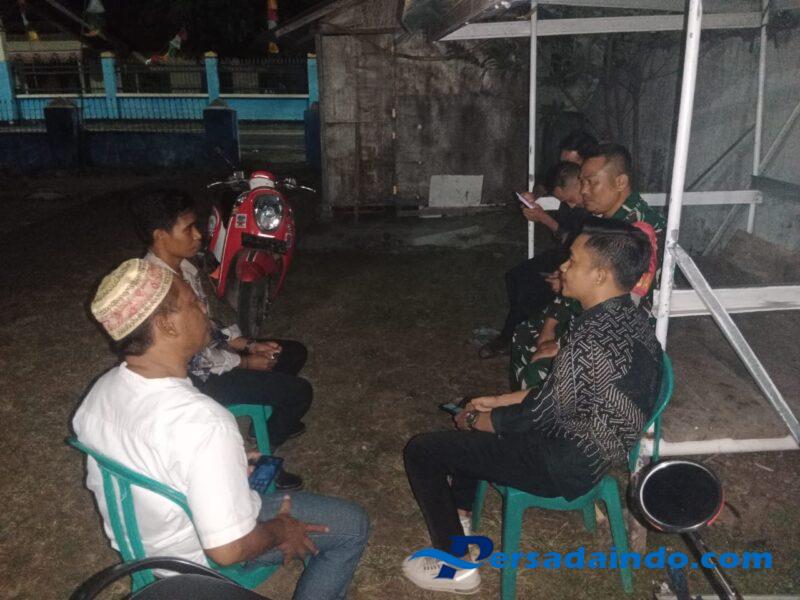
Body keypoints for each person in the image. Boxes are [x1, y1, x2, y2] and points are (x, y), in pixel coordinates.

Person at [74, 259, 369, 600]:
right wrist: (280, 529)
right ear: (167, 324)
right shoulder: (204, 422)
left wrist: (227, 465)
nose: (204, 308)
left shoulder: (99, 393)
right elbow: (228, 550)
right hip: (196, 565)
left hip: (144, 550)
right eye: (192, 302)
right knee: (352, 526)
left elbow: (156, 455)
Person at [402, 219, 663, 594]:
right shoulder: (630, 318)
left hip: (562, 463)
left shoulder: (591, 338)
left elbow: (540, 414)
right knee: (472, 411)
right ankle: (460, 517)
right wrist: (494, 401)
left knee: (423, 451)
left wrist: (480, 420)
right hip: (590, 448)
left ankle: (454, 567)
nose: (563, 267)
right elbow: (564, 393)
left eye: (573, 261)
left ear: (600, 275)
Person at [130, 189, 309, 491]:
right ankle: (259, 457)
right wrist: (245, 362)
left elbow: (205, 325)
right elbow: (192, 358)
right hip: (195, 379)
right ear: (160, 235)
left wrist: (247, 344)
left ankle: (267, 424)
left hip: (207, 358)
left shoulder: (184, 268)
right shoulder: (158, 286)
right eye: (188, 228)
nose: (198, 235)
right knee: (299, 392)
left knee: (292, 352)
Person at [478, 131, 597, 359]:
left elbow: (578, 241)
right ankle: (521, 329)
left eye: (571, 164)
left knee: (530, 288)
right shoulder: (570, 183)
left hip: (581, 259)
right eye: (563, 163)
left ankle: (513, 336)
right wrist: (534, 196)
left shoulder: (592, 196)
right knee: (515, 277)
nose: (564, 169)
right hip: (564, 252)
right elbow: (548, 182)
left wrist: (544, 218)